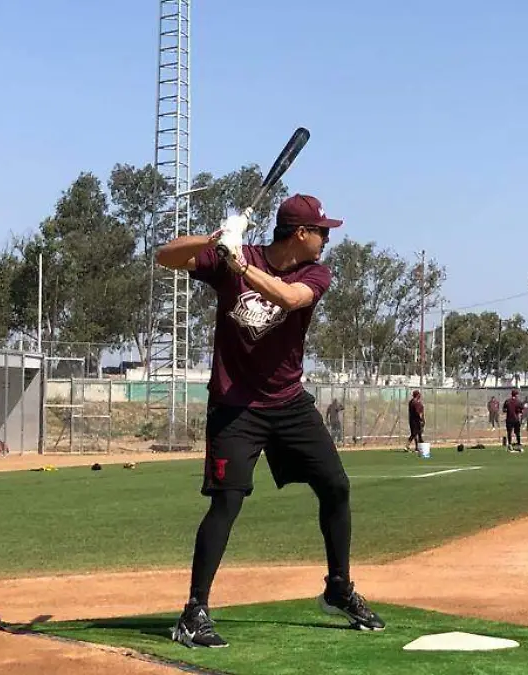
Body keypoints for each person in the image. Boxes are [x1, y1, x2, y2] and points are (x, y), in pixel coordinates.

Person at [154, 194, 384, 649]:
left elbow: (289, 298)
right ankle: (194, 612)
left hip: (288, 402)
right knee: (227, 502)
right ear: (301, 233)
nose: (326, 239)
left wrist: (239, 265)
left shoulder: (314, 273)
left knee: (336, 486)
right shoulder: (233, 255)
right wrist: (215, 239)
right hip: (235, 406)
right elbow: (165, 256)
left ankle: (338, 588)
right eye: (321, 231)